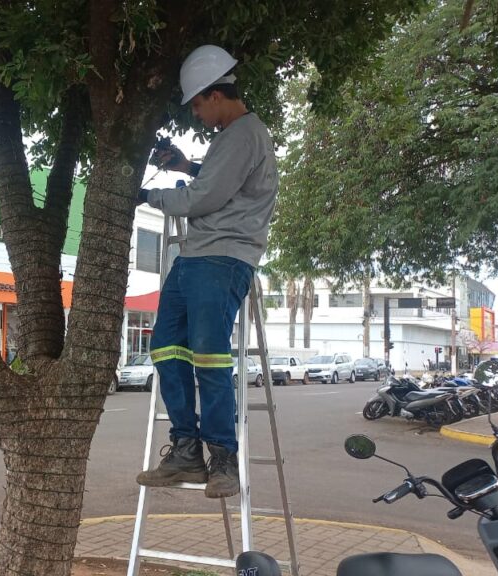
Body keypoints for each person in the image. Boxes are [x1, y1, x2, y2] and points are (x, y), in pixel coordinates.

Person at [134, 45, 278, 499]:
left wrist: (148, 196)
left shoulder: (242, 134)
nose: (196, 114)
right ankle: (186, 450)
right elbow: (222, 182)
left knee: (209, 356)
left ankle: (222, 460)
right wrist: (185, 166)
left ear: (217, 95)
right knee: (165, 348)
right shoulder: (233, 140)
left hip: (223, 257)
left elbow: (202, 199)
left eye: (197, 104)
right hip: (196, 257)